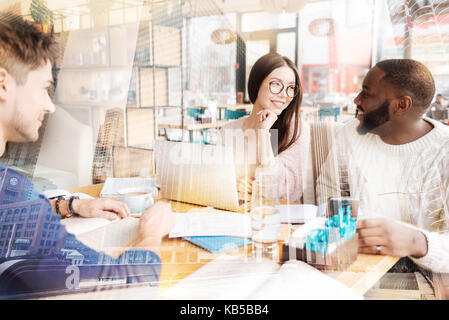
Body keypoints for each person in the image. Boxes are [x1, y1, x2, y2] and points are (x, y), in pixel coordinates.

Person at [0, 12, 175, 297]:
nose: (51, 106)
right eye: (45, 88)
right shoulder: (11, 196)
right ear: (3, 83)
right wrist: (152, 231)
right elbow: (125, 283)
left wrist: (72, 205)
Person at [316, 59, 449, 273]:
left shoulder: (444, 151)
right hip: (355, 269)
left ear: (401, 105)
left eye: (367, 94)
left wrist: (418, 242)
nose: (356, 99)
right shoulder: (350, 134)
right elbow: (327, 189)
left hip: (425, 281)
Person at [219, 53, 310, 203]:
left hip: (280, 218)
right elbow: (218, 181)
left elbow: (288, 192)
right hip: (236, 213)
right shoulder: (229, 130)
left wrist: (263, 134)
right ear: (257, 83)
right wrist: (234, 185)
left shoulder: (298, 130)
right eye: (275, 84)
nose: (283, 94)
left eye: (291, 87)